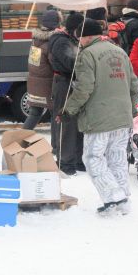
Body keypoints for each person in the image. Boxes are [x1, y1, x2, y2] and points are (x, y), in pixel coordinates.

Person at [61, 19, 138, 215]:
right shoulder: (119, 51)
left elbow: (84, 88)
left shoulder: (87, 55)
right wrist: (131, 109)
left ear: (86, 37)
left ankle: (114, 197)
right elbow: (133, 84)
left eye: (80, 38)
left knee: (92, 158)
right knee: (117, 157)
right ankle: (124, 201)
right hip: (122, 115)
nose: (79, 42)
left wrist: (68, 109)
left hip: (99, 117)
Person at [48, 12, 85, 175]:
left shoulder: (69, 39)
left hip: (71, 82)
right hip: (64, 82)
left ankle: (77, 159)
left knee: (76, 121)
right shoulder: (61, 41)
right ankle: (65, 161)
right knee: (66, 120)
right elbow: (69, 62)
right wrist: (85, 63)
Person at [22, 10, 62, 130]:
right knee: (56, 115)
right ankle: (56, 145)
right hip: (48, 84)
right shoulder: (52, 41)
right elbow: (55, 63)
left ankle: (19, 140)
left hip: (34, 81)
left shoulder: (36, 39)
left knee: (35, 114)